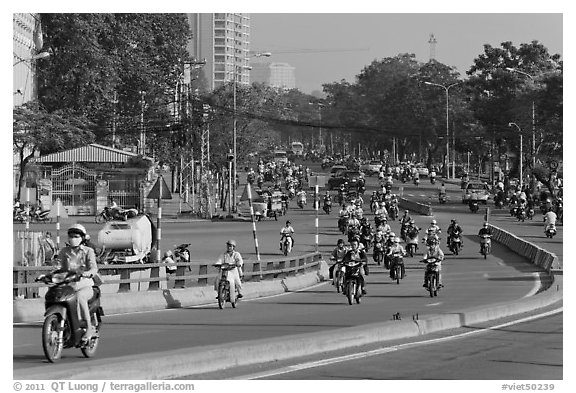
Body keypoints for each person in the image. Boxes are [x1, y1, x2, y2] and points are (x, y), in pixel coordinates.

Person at [54, 224, 99, 340]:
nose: (73, 239)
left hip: (85, 284)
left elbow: (94, 268)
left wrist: (87, 273)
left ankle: (89, 327)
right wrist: (50, 275)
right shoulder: (64, 251)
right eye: (71, 236)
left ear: (82, 238)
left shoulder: (88, 251)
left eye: (76, 236)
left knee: (80, 297)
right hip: (69, 284)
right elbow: (58, 266)